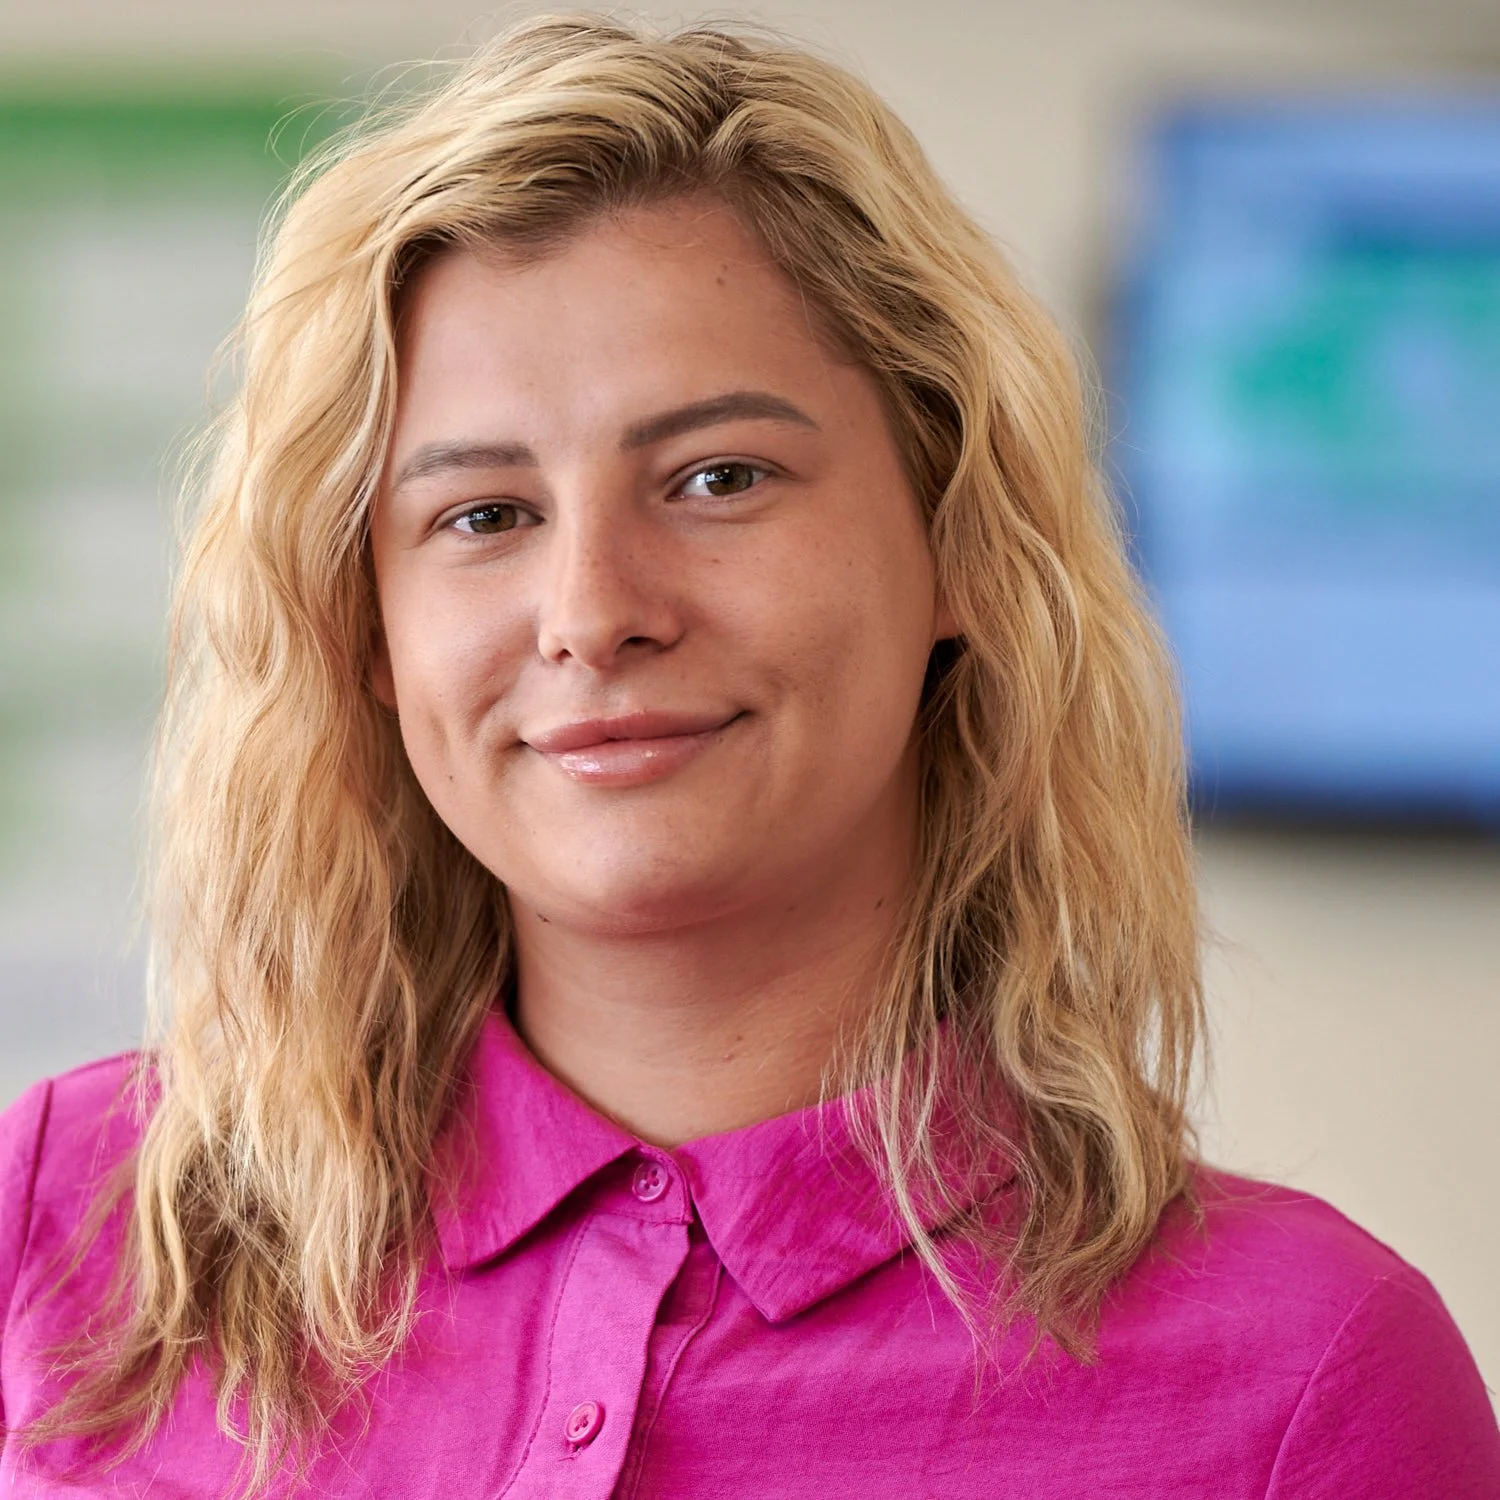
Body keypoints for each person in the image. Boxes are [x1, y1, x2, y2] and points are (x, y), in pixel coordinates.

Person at [1, 14, 1496, 1499]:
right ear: (370, 638)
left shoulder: (1308, 1378)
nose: (592, 613)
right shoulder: (58, 1221)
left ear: (961, 542)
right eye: (482, 515)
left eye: (721, 478)